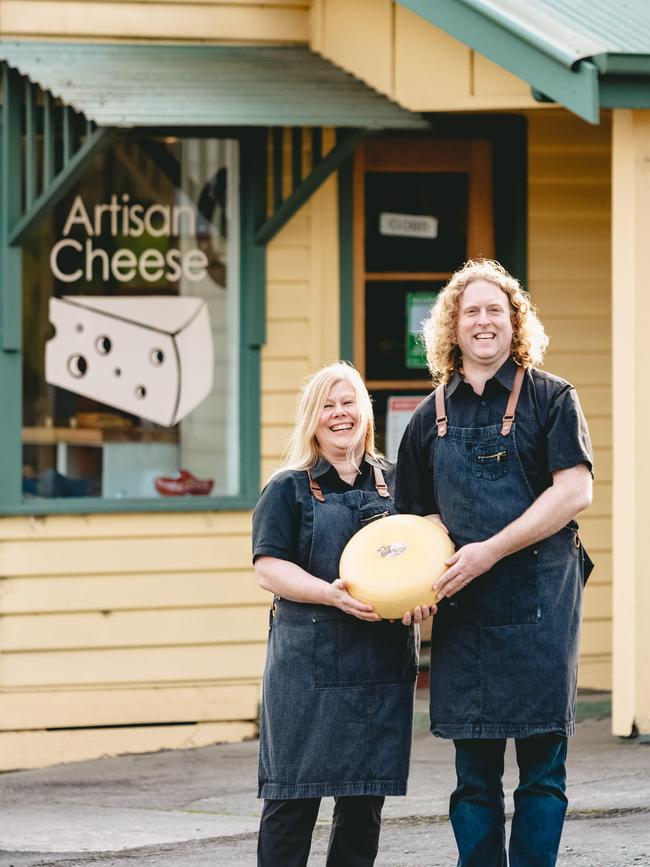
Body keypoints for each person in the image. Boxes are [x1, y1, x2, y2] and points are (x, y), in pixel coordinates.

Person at [395, 259, 594, 867]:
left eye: (496, 311)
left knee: (541, 774)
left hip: (540, 606)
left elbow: (574, 491)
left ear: (516, 324)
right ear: (452, 328)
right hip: (467, 617)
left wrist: (489, 550)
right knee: (474, 779)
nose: (484, 322)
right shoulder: (427, 419)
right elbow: (416, 517)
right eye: (471, 311)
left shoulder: (552, 399)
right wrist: (433, 564)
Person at [253, 362, 421, 867]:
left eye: (347, 402)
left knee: (364, 804)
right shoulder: (288, 487)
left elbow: (422, 555)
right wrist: (329, 594)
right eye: (327, 405)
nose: (339, 414)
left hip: (380, 665)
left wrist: (424, 596)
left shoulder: (398, 483)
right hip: (307, 668)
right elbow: (269, 568)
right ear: (312, 417)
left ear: (364, 411)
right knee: (291, 801)